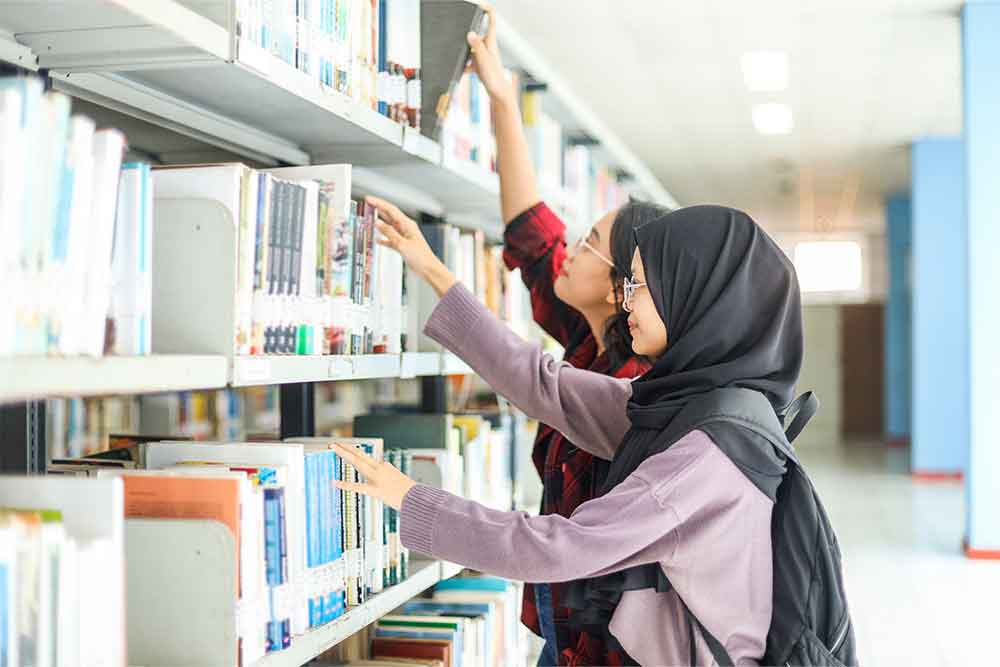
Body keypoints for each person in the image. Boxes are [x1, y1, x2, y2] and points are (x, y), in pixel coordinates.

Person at [335, 203, 804, 665]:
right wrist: (432, 270)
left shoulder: (707, 449)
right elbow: (547, 385)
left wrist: (411, 499)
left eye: (641, 283)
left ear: (693, 295)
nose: (625, 298)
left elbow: (562, 547)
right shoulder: (692, 402)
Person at [455, 7, 661, 665]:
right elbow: (529, 230)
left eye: (591, 242)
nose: (570, 246)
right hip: (555, 606)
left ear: (621, 280)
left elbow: (533, 378)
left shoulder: (634, 388)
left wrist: (438, 278)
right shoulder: (590, 334)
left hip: (596, 629)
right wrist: (502, 103)